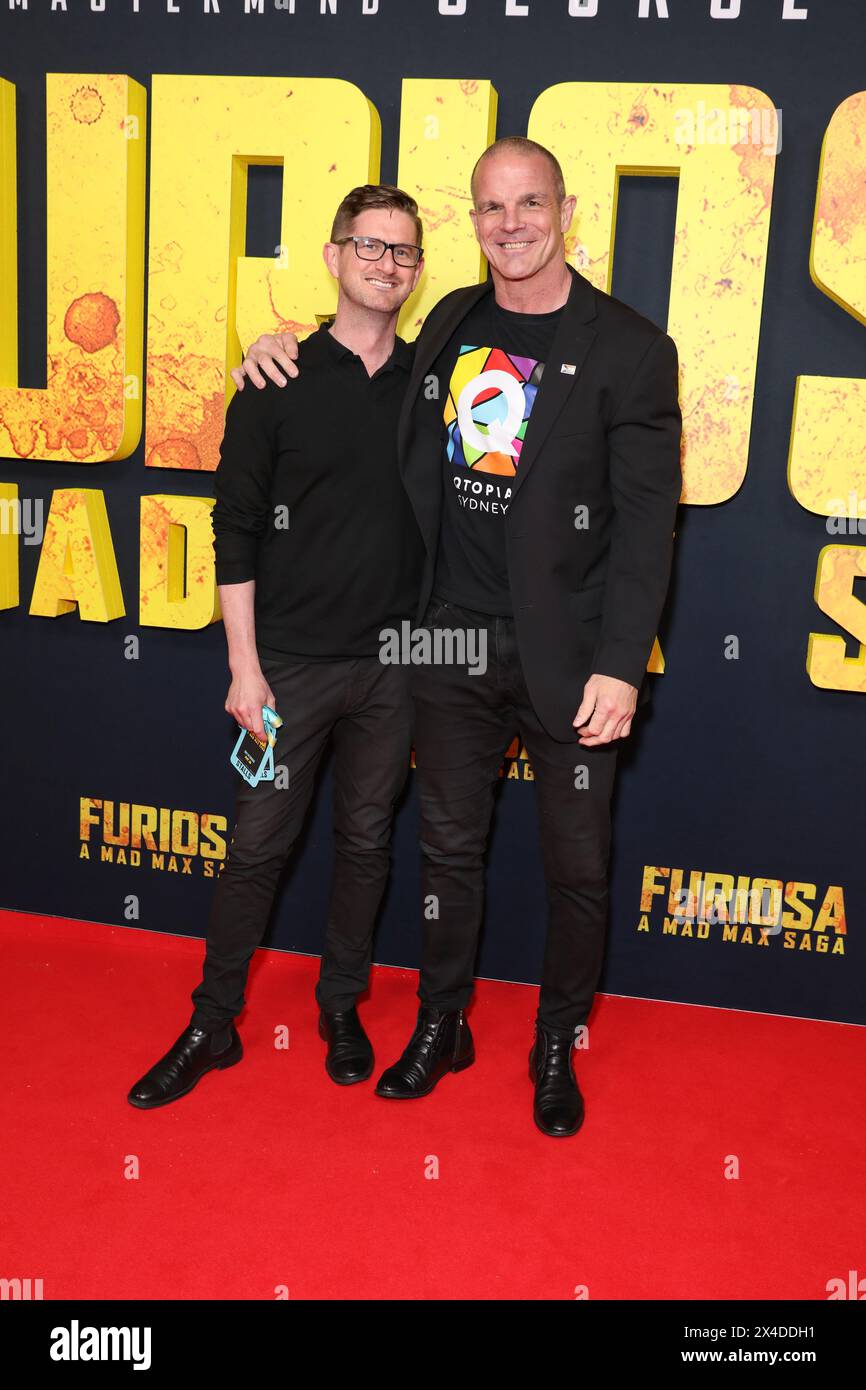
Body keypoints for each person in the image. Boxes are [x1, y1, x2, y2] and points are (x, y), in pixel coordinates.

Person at [231, 136, 683, 1138]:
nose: (510, 224)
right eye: (489, 208)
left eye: (528, 204)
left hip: (569, 660)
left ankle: (555, 1045)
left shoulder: (628, 349)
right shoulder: (448, 321)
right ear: (471, 223)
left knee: (575, 867)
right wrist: (268, 351)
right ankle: (443, 1020)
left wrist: (618, 665)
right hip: (447, 644)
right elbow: (357, 373)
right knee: (445, 852)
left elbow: (648, 527)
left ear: (564, 212)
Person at [127, 185, 426, 1109]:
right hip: (285, 668)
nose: (385, 264)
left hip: (395, 669)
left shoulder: (437, 382)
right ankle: (212, 1024)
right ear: (335, 256)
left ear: (419, 272)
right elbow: (237, 527)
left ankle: (342, 1007)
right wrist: (244, 668)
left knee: (367, 842)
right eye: (369, 246)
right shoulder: (275, 379)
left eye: (404, 252)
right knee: (255, 847)